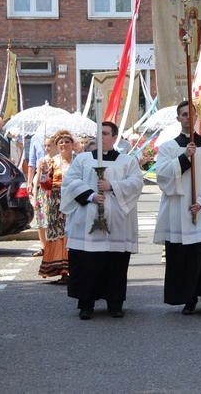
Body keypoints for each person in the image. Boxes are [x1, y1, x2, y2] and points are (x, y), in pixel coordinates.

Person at [61, 122, 143, 320]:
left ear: (115, 138)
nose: (101, 137)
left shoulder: (127, 161)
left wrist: (112, 185)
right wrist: (90, 195)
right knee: (87, 264)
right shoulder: (82, 159)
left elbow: (136, 183)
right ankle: (86, 304)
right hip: (87, 220)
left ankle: (115, 304)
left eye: (106, 133)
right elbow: (69, 182)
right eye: (99, 133)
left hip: (117, 223)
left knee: (115, 264)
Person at [154, 100, 201, 317]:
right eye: (184, 114)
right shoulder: (169, 147)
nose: (188, 117)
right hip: (179, 211)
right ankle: (188, 299)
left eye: (191, 114)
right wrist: (184, 157)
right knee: (185, 257)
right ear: (178, 119)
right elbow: (163, 177)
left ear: (196, 118)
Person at [38, 130, 75, 283]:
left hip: (75, 200)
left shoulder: (79, 160)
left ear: (72, 144)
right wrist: (44, 171)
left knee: (73, 232)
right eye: (61, 142)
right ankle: (63, 272)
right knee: (59, 232)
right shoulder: (52, 161)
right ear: (57, 145)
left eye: (67, 141)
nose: (64, 144)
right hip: (57, 202)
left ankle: (76, 269)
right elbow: (46, 185)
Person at [31, 136, 57, 257]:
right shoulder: (42, 160)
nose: (47, 148)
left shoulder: (58, 160)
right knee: (41, 220)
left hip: (53, 192)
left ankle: (52, 246)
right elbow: (37, 180)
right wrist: (34, 198)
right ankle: (43, 246)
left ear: (55, 146)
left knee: (52, 220)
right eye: (45, 145)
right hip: (43, 193)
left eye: (49, 145)